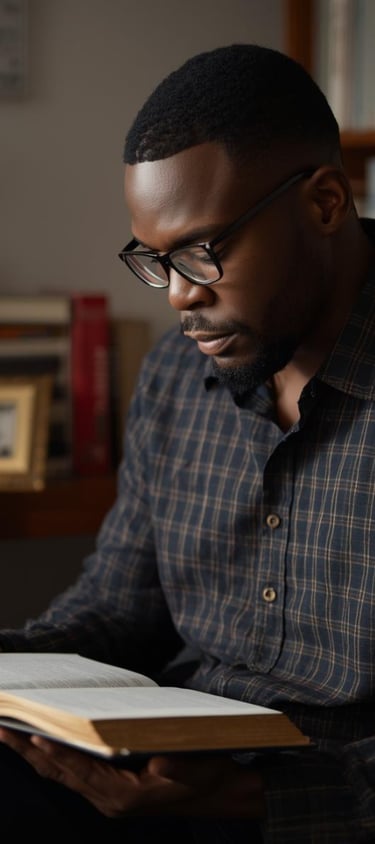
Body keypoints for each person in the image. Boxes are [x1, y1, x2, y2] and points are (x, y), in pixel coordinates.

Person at [0, 42, 375, 842]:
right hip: (164, 771)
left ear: (324, 204)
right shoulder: (177, 373)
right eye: (155, 259)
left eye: (203, 251)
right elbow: (115, 610)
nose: (177, 296)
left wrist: (255, 801)